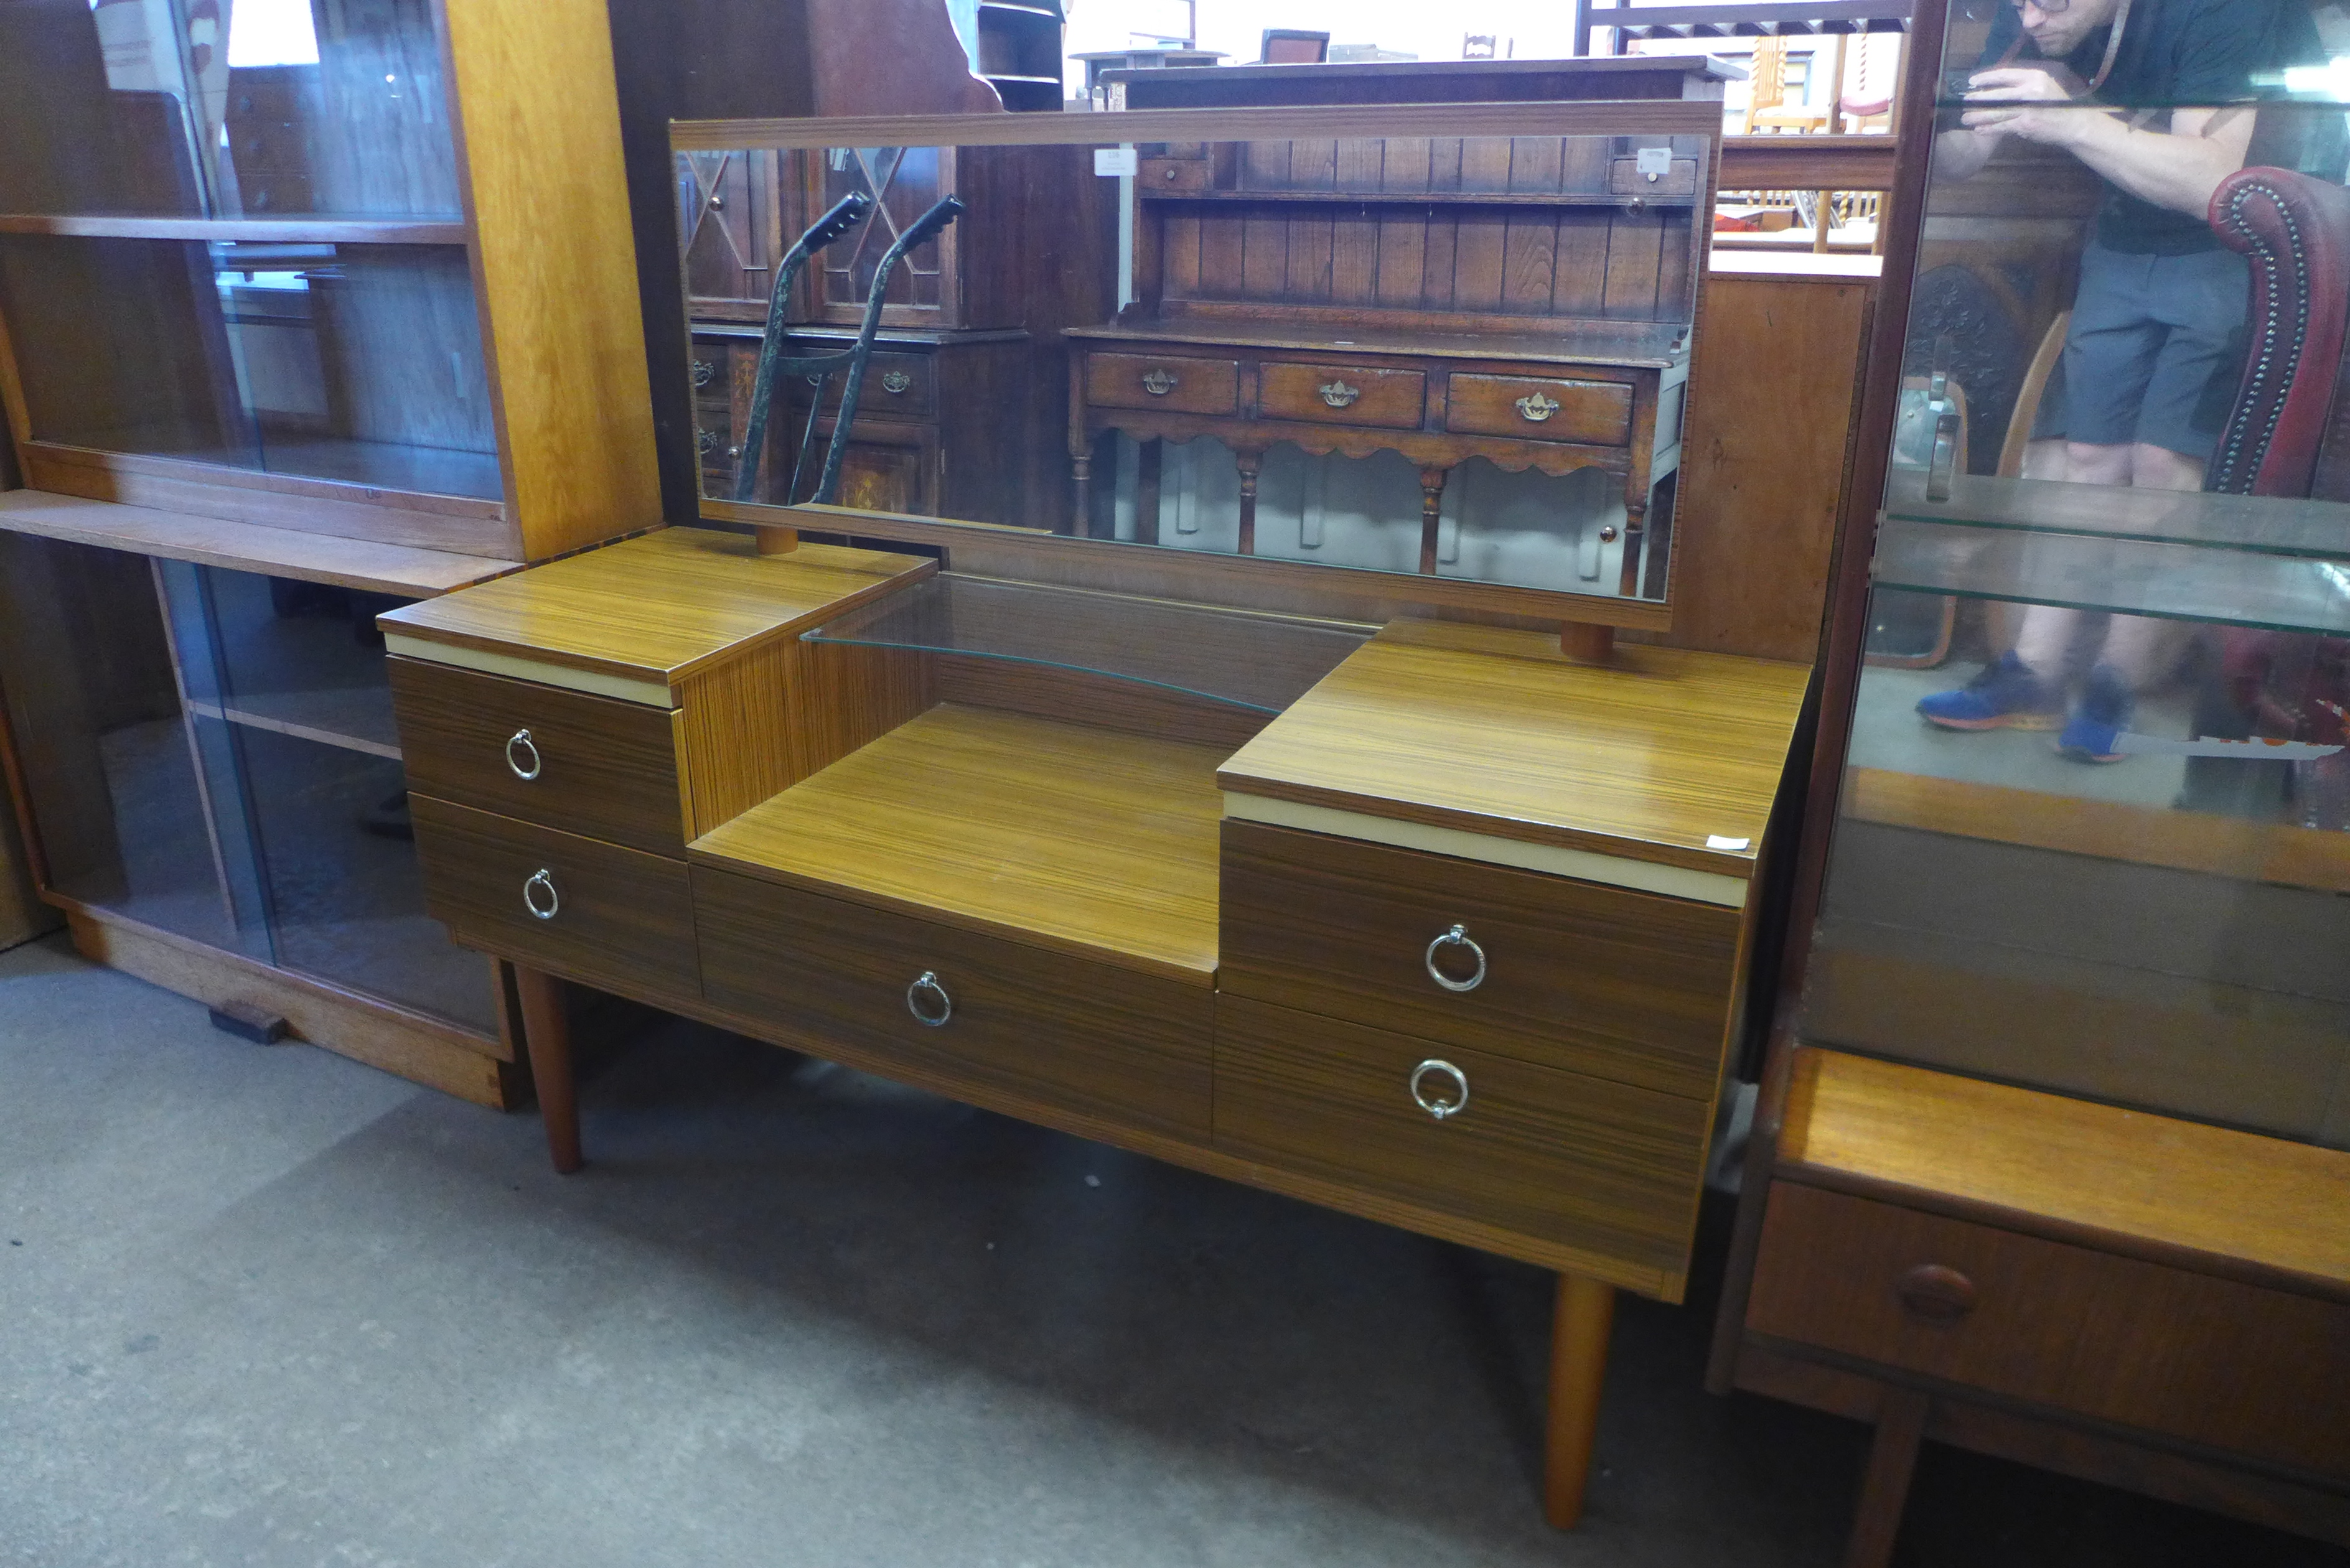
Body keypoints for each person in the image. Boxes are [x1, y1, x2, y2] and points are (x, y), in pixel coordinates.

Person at [1914, 0, 2338, 760]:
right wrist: (1920, 119)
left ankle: (2114, 683)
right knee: (2085, 460)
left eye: (2051, 1)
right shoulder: (2038, 15)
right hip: (2121, 241)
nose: (2032, 16)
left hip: (2228, 249)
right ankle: (2033, 675)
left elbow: (2211, 180)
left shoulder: (2214, 12)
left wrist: (2067, 116)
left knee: (2163, 471)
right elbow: (1961, 157)